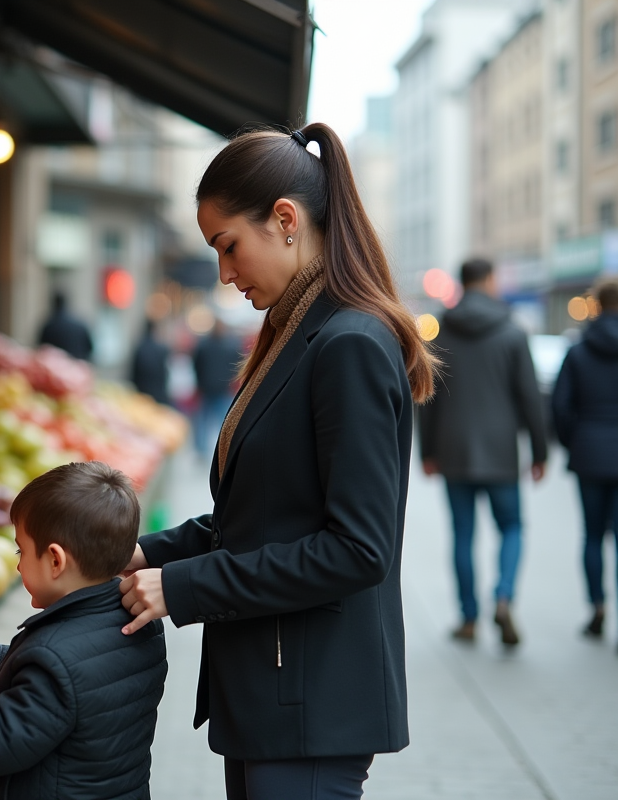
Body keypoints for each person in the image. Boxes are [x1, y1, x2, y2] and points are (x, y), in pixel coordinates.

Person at [118, 123, 437, 800]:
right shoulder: (298, 333)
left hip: (313, 703)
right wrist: (144, 555)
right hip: (279, 695)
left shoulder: (346, 342)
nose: (225, 274)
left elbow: (357, 549)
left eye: (228, 246)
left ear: (285, 220)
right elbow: (262, 516)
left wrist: (184, 590)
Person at [0, 461, 167, 800]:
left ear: (55, 560)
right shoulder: (139, 621)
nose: (18, 564)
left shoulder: (56, 657)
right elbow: (78, 680)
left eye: (21, 550)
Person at [419, 258, 547, 646]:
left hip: (453, 449)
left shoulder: (441, 334)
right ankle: (504, 597)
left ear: (461, 284)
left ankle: (469, 618)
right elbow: (530, 397)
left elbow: (428, 397)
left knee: (463, 534)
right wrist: (540, 451)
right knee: (511, 526)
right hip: (500, 451)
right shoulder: (511, 332)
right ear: (490, 281)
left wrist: (427, 450)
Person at [553, 277, 618, 639]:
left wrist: (573, 443)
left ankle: (597, 606)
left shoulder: (578, 350)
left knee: (593, 536)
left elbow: (561, 407)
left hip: (590, 453)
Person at [192, 319, 245, 457]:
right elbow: (237, 366)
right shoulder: (232, 345)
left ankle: (202, 450)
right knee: (224, 420)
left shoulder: (203, 345)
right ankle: (223, 447)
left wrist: (199, 381)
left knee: (204, 420)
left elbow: (196, 364)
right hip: (223, 388)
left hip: (207, 387)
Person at [38, 291, 93, 361]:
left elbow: (42, 350)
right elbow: (89, 349)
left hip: (56, 369)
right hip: (78, 366)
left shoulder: (48, 326)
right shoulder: (80, 324)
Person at [130, 318, 171, 404]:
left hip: (142, 391)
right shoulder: (161, 349)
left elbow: (134, 372)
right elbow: (164, 372)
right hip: (158, 392)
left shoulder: (140, 347)